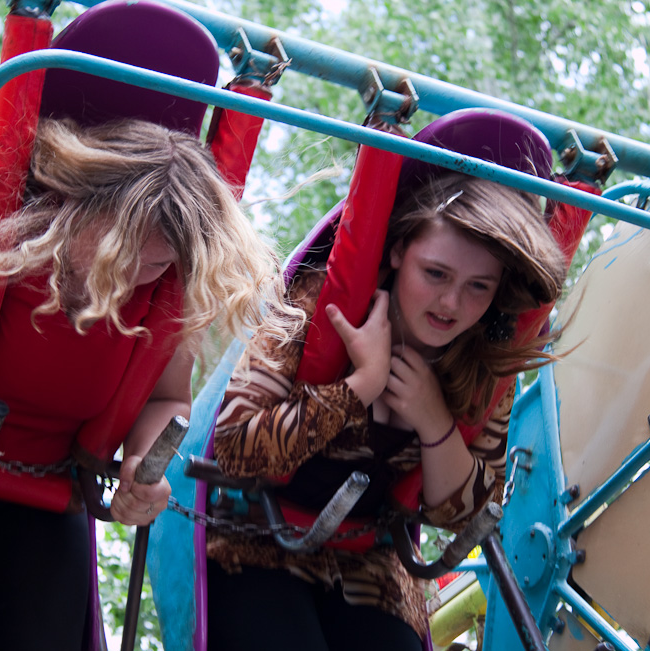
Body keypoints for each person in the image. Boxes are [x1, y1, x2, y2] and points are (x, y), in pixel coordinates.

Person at [0, 3, 301, 650]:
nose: (135, 276)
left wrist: (143, 464)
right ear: (71, 206)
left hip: (45, 495)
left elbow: (167, 398)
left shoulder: (164, 291)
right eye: (122, 251)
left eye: (157, 263)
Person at [206, 109, 569, 651]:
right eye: (436, 274)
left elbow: (466, 516)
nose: (451, 304)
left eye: (479, 286)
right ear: (399, 249)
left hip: (369, 563)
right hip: (252, 535)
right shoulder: (319, 301)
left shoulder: (486, 358)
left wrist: (433, 419)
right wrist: (360, 387)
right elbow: (234, 449)